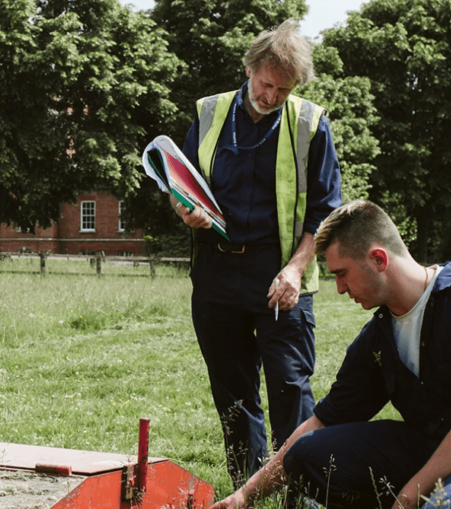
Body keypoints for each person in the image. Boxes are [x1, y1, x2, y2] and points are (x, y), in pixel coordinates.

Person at [210, 200, 451, 509]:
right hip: (439, 445)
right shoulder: (379, 337)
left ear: (379, 259)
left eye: (342, 274)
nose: (339, 289)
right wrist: (243, 497)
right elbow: (320, 423)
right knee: (306, 457)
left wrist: (408, 497)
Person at [173, 19, 342, 486]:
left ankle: (301, 486)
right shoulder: (209, 112)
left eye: (283, 90)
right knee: (232, 391)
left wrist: (295, 268)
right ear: (250, 69)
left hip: (280, 274)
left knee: (290, 385)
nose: (272, 97)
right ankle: (250, 486)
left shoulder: (311, 124)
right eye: (267, 85)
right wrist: (184, 208)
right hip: (216, 270)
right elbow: (181, 183)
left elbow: (327, 213)